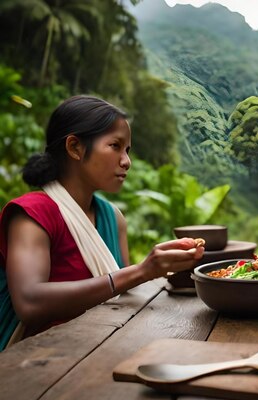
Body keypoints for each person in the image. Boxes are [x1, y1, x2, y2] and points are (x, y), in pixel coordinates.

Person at [0, 95, 204, 350]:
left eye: (127, 150)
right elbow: (29, 303)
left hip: (100, 351)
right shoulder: (32, 214)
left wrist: (174, 271)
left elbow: (123, 295)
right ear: (75, 147)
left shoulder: (112, 217)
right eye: (115, 146)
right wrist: (142, 271)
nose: (126, 161)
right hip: (37, 363)